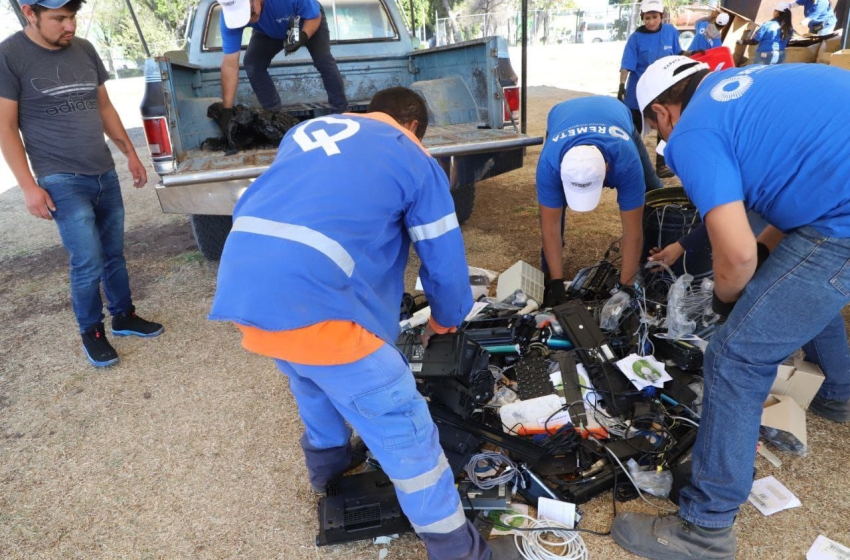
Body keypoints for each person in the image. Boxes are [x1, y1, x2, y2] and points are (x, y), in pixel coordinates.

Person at [208, 87, 521, 560]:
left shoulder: (307, 131)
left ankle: (327, 468)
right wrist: (445, 319)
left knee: (311, 381)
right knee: (407, 433)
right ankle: (459, 549)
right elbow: (443, 254)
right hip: (319, 304)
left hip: (249, 292)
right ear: (413, 125)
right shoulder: (411, 156)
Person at [609, 55, 850, 560]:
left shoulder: (692, 134)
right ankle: (839, 396)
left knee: (737, 357)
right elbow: (792, 207)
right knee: (798, 286)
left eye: (652, 127)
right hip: (834, 203)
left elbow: (736, 257)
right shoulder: (745, 90)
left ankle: (706, 528)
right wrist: (762, 267)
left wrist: (723, 304)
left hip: (842, 221)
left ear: (661, 113)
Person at [0, 0, 163, 368]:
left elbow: (104, 107)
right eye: (58, 18)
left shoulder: (85, 49)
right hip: (60, 178)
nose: (69, 25)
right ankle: (92, 331)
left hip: (102, 170)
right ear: (30, 13)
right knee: (87, 261)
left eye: (72, 17)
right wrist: (28, 186)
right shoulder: (9, 55)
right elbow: (6, 127)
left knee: (113, 254)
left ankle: (123, 315)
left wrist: (129, 154)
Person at [537, 96, 660, 307]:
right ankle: (550, 276)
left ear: (608, 170)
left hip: (617, 116)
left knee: (654, 191)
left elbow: (632, 231)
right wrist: (557, 283)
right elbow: (550, 226)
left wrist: (626, 286)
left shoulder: (626, 161)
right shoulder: (550, 164)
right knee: (554, 210)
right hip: (562, 115)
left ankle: (654, 261)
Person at [217, 0, 348, 134]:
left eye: (249, 12)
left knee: (323, 61)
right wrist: (227, 110)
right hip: (268, 32)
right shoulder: (228, 20)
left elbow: (314, 16)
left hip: (306, 20)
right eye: (241, 17)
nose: (248, 19)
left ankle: (342, 113)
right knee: (252, 64)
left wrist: (302, 37)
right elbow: (230, 64)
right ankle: (275, 117)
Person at [618, 0, 683, 178]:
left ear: (661, 16)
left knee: (665, 125)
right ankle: (630, 166)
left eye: (654, 17)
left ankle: (662, 165)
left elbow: (678, 54)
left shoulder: (670, 31)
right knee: (633, 129)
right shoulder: (636, 38)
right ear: (642, 18)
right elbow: (626, 65)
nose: (651, 21)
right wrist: (621, 86)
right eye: (647, 18)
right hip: (638, 90)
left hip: (663, 89)